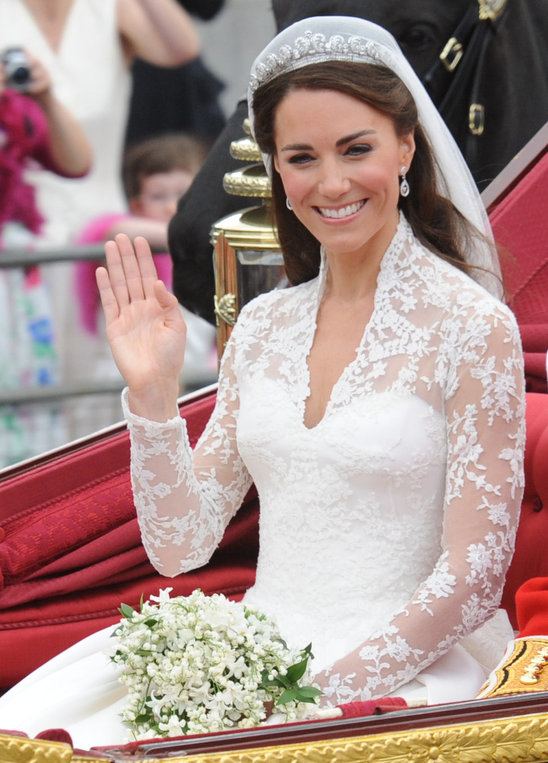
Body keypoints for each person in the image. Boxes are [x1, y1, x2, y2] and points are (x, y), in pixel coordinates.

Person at [0, 16, 525, 748]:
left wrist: (312, 701)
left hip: (409, 671)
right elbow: (181, 546)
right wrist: (152, 401)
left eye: (357, 149)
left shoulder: (472, 325)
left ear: (406, 147)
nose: (332, 183)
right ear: (277, 168)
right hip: (256, 655)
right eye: (302, 156)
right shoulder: (263, 325)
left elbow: (473, 576)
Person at [0, 49, 91, 466]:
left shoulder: (13, 107)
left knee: (28, 389)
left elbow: (76, 162)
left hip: (14, 279)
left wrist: (46, 96)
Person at [74, 133, 215, 388]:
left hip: (191, 379)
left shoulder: (202, 252)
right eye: (158, 197)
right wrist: (192, 234)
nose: (171, 207)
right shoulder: (130, 247)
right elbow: (110, 231)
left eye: (183, 195)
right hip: (127, 382)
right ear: (137, 206)